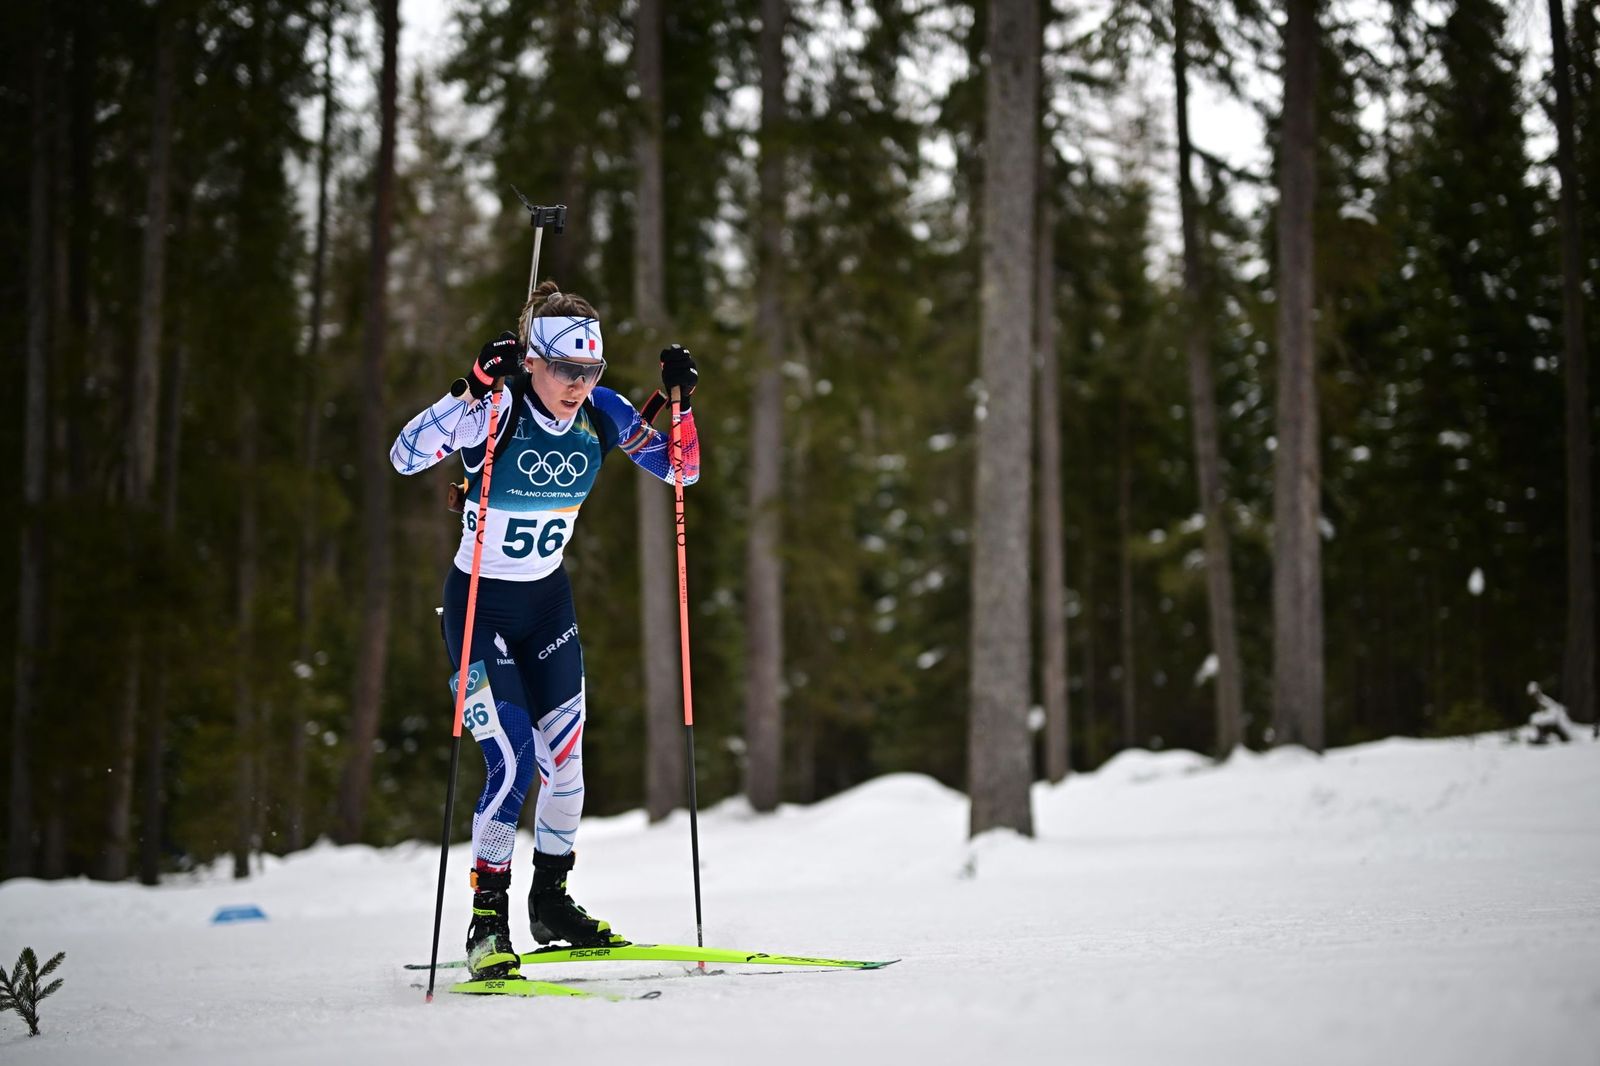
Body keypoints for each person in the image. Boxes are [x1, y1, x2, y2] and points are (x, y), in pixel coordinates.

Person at [390, 280, 700, 980]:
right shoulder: (495, 409)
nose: (578, 384)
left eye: (591, 371)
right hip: (479, 608)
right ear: (532, 360)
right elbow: (404, 455)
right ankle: (487, 923)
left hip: (548, 609)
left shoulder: (603, 411)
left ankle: (550, 904)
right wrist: (467, 389)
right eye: (566, 369)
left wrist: (680, 403)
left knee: (568, 772)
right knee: (513, 768)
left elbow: (683, 470)